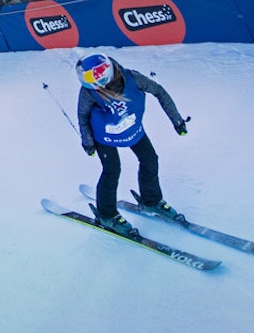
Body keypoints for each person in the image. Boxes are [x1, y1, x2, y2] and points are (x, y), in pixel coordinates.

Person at [76, 52, 188, 238]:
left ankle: (151, 201)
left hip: (130, 128)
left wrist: (177, 120)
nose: (91, 81)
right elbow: (83, 115)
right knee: (112, 170)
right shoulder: (88, 91)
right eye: (86, 77)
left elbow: (159, 91)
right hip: (104, 134)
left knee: (150, 159)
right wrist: (87, 142)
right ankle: (106, 215)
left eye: (93, 76)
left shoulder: (132, 78)